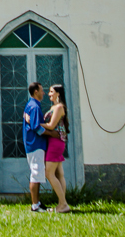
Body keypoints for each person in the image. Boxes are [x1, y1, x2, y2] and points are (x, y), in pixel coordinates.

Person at [22, 81, 54, 212]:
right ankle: (35, 205)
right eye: (41, 90)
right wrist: (52, 133)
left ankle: (38, 203)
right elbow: (36, 127)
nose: (44, 93)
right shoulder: (34, 107)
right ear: (36, 91)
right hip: (36, 144)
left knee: (37, 173)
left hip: (33, 144)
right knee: (36, 174)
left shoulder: (30, 105)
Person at [43, 84, 71, 213]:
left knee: (49, 173)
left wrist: (34, 123)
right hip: (53, 141)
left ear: (58, 93)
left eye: (51, 91)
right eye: (49, 92)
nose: (49, 94)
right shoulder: (54, 107)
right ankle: (61, 204)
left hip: (55, 142)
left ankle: (63, 204)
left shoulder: (59, 107)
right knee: (59, 174)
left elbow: (51, 125)